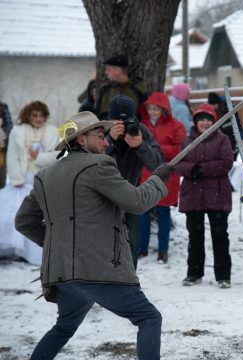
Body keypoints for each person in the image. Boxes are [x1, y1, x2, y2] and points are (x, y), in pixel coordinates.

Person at [15, 111, 172, 360]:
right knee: (149, 318)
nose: (107, 142)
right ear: (80, 140)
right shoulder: (99, 166)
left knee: (63, 327)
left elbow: (23, 221)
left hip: (63, 273)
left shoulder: (45, 176)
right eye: (100, 136)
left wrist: (60, 247)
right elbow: (137, 202)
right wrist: (158, 180)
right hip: (97, 270)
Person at [175, 103, 234, 289]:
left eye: (208, 120)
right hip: (193, 195)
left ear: (214, 122)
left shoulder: (222, 140)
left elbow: (226, 163)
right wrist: (192, 169)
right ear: (196, 122)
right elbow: (177, 164)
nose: (205, 123)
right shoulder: (187, 140)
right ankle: (194, 272)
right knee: (195, 236)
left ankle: (223, 276)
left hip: (217, 194)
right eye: (202, 120)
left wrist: (203, 169)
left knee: (220, 236)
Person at [106, 95, 164, 269]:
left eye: (126, 120)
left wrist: (141, 146)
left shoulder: (140, 131)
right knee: (103, 244)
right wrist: (109, 141)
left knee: (132, 243)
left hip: (131, 196)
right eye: (117, 120)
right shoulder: (99, 131)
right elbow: (86, 161)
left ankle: (129, 283)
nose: (122, 125)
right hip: (102, 198)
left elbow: (159, 165)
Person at [0, 101, 58, 265]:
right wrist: (16, 177)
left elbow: (57, 156)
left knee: (39, 215)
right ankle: (16, 250)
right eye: (34, 115)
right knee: (16, 214)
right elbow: (12, 155)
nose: (38, 119)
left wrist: (38, 157)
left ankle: (35, 252)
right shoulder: (17, 131)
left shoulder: (53, 132)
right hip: (22, 179)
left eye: (41, 115)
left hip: (42, 179)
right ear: (28, 115)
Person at [137, 92, 186, 264]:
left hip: (166, 174)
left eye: (156, 108)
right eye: (150, 108)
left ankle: (163, 250)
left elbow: (180, 148)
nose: (153, 111)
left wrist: (153, 150)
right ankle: (141, 247)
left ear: (163, 109)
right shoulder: (141, 125)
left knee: (164, 212)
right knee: (143, 212)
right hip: (145, 173)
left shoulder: (176, 126)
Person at [94, 55, 147, 119]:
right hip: (108, 128)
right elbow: (97, 113)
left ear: (118, 70)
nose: (106, 72)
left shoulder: (138, 89)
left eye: (108, 69)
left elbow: (145, 114)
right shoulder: (105, 89)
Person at [208, 92, 243, 161]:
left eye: (214, 105)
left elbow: (238, 130)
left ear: (218, 103)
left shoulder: (229, 112)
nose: (213, 107)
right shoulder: (212, 113)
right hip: (219, 147)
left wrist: (237, 146)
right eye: (211, 105)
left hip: (233, 144)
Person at [0, 101, 13, 188]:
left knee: (1, 179)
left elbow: (9, 125)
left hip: (1, 146)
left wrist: (2, 136)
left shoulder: (2, 106)